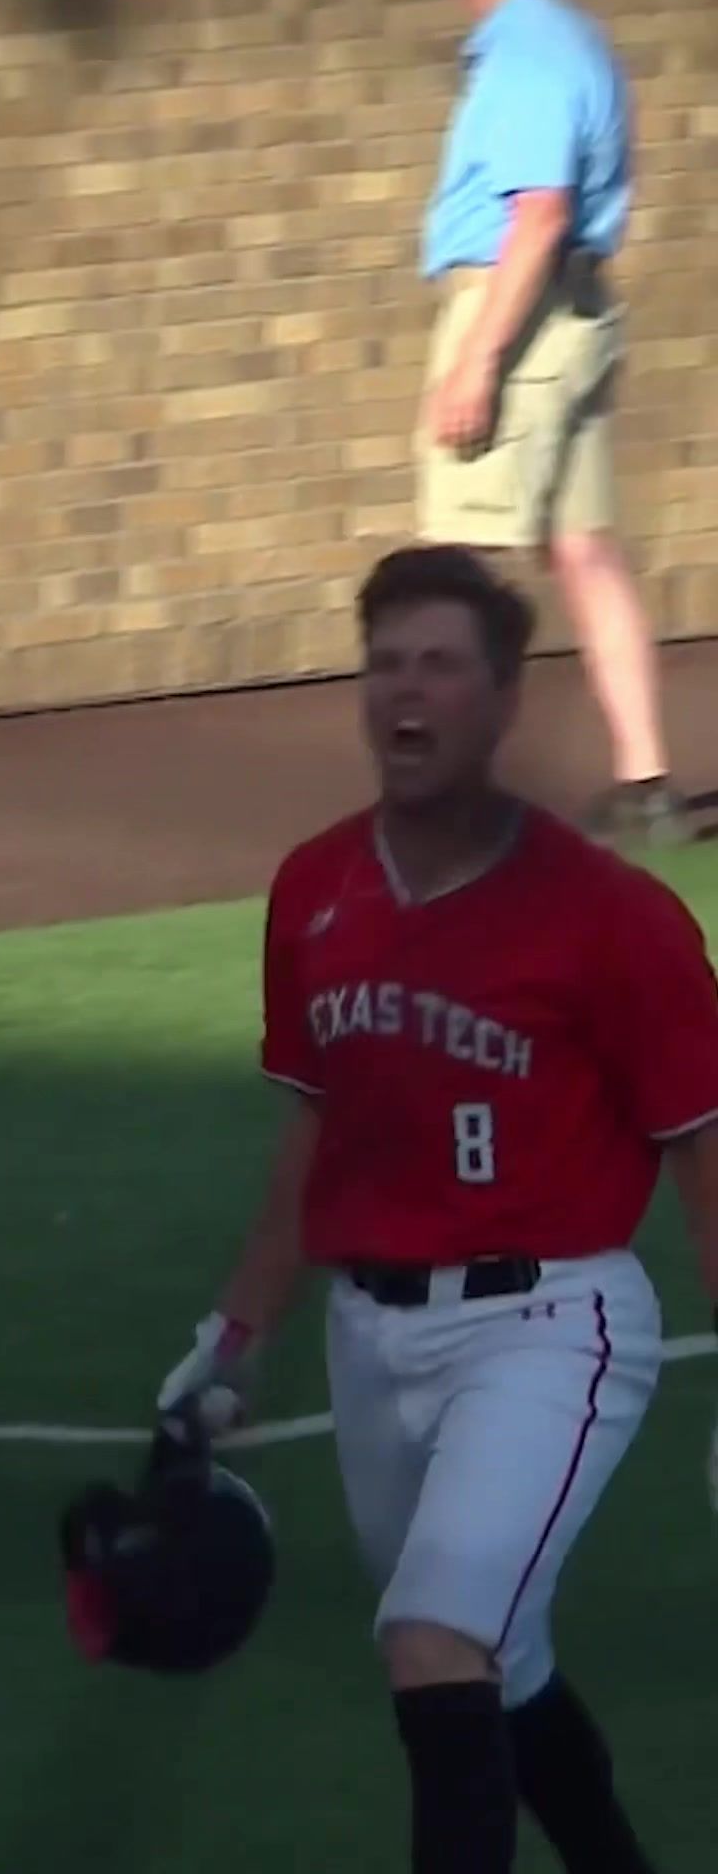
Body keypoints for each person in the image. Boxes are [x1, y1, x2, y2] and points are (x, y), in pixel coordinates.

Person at [156, 545, 718, 1874]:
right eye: (386, 663)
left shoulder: (610, 919)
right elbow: (318, 1128)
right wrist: (235, 1336)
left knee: (432, 1644)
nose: (405, 693)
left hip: (552, 1323)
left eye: (440, 665)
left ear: (503, 698)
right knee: (494, 1665)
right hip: (372, 1340)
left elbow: (702, 1147)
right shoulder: (315, 892)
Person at [416, 0, 688, 848]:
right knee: (583, 548)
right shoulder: (566, 38)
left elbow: (536, 212)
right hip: (573, 309)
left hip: (516, 310)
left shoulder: (527, 53)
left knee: (461, 566)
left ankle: (453, 795)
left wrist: (478, 361)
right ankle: (644, 783)